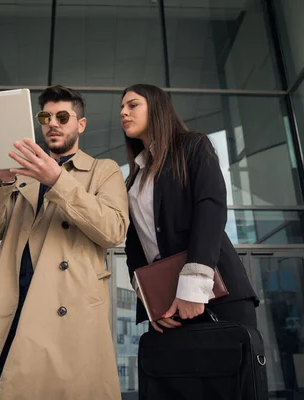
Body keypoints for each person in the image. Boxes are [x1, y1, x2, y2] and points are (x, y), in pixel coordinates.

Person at [0, 85, 128, 400]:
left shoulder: (102, 170)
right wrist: (0, 178)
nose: (53, 123)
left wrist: (58, 180)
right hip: (12, 303)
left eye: (62, 116)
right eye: (45, 116)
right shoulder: (19, 175)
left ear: (80, 124)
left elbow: (114, 230)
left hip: (65, 309)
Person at [120, 84, 260, 395]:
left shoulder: (192, 146)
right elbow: (135, 247)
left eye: (132, 105)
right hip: (169, 311)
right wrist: (150, 303)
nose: (123, 113)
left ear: (156, 107)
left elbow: (210, 208)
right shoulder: (135, 178)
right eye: (122, 109)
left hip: (218, 297)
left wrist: (195, 288)